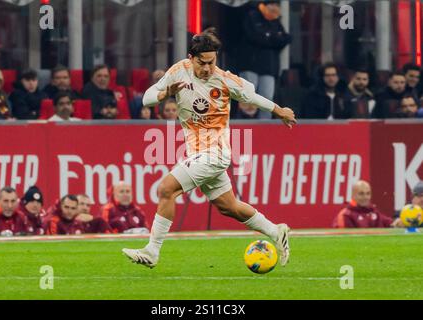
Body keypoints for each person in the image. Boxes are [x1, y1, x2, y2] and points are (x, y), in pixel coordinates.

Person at [122, 28, 296, 268]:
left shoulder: (224, 79)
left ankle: (152, 251)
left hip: (215, 152)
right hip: (197, 152)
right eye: (202, 63)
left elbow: (252, 96)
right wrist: (166, 93)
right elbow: (147, 98)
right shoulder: (178, 71)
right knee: (229, 207)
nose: (207, 68)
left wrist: (279, 111)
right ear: (191, 58)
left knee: (166, 189)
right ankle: (276, 231)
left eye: (211, 62)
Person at [237, 1, 292, 119]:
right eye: (273, 6)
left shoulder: (276, 21)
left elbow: (285, 38)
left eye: (277, 7)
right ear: (267, 5)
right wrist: (273, 39)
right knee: (248, 98)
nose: (276, 9)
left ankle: (264, 127)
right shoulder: (252, 15)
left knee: (267, 99)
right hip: (250, 64)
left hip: (269, 67)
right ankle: (245, 124)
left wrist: (268, 37)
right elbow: (255, 36)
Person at [333, 180, 401, 228]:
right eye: (361, 194)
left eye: (368, 193)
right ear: (353, 195)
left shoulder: (373, 212)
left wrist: (398, 223)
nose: (365, 197)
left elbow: (390, 223)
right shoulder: (346, 215)